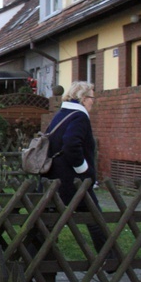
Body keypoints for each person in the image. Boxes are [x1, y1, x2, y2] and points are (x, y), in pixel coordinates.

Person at [43, 81, 111, 257]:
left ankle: (35, 260)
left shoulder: (62, 114)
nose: (93, 102)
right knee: (95, 218)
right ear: (83, 98)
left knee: (48, 223)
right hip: (72, 180)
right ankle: (110, 261)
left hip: (54, 177)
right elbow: (71, 145)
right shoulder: (79, 117)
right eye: (92, 98)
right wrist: (84, 170)